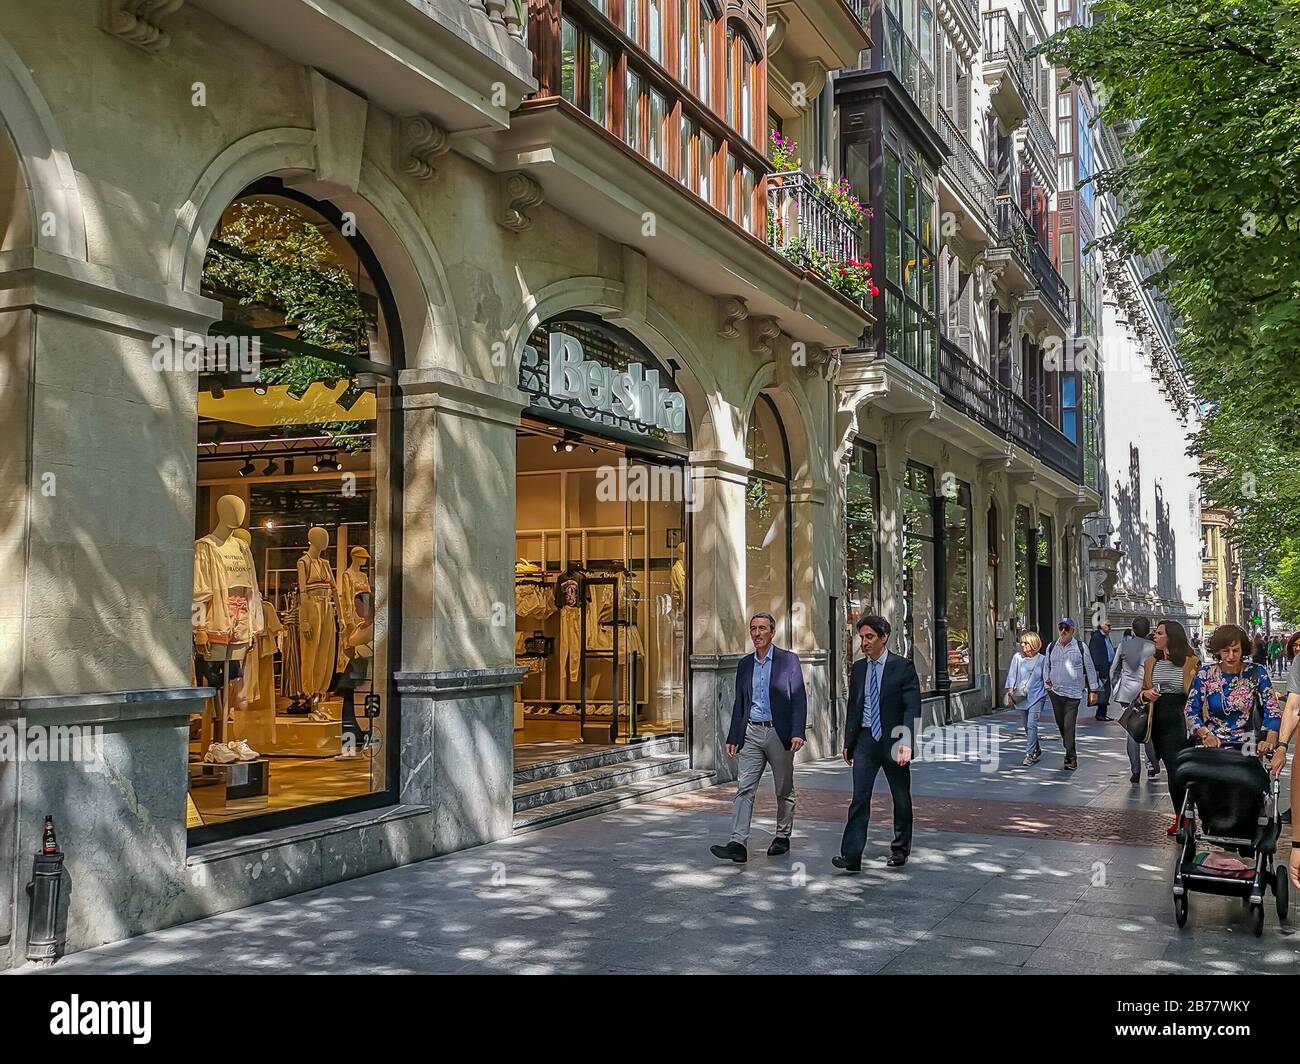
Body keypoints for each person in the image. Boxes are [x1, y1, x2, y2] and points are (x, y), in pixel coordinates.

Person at [710, 612, 807, 863]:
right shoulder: (745, 664)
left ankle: (782, 836)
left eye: (762, 628)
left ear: (772, 632)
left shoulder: (788, 661)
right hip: (752, 731)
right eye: (753, 628)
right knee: (744, 788)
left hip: (779, 732)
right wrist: (734, 736)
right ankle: (737, 842)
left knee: (783, 788)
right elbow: (740, 703)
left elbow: (798, 698)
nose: (757, 633)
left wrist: (798, 731)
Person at [833, 615, 920, 871]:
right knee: (859, 797)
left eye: (869, 637)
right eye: (861, 637)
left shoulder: (902, 667)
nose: (864, 642)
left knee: (900, 797)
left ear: (884, 638)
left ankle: (900, 849)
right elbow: (854, 706)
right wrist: (849, 741)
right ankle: (851, 855)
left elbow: (911, 707)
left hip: (894, 741)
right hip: (865, 740)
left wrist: (906, 742)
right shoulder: (859, 669)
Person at [1139, 620, 1200, 833]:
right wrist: (1147, 694)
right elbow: (1142, 691)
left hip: (1180, 720)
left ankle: (1186, 817)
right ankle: (1181, 816)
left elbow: (1197, 693)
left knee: (1178, 772)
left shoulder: (1191, 661)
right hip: (1157, 720)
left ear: (1171, 637)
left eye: (1159, 633)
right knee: (1172, 771)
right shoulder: (1150, 662)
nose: (1155, 637)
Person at [1186, 624, 1280, 754]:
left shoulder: (1257, 672)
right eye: (1225, 651)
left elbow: (1272, 709)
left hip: (1248, 743)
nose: (1231, 656)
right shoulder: (1205, 674)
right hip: (1213, 744)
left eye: (1235, 651)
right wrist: (1206, 735)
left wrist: (1269, 741)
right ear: (1218, 651)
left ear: (1243, 650)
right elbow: (1190, 710)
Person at [1044, 617, 1099, 771]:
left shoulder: (1081, 647)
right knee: (1060, 724)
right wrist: (1046, 683)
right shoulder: (1051, 647)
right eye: (1061, 627)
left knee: (1069, 726)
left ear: (1073, 630)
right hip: (1055, 692)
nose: (1063, 631)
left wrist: (1093, 690)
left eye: (1066, 628)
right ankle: (1068, 745)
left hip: (1073, 694)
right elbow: (1046, 667)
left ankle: (1070, 756)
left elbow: (1090, 669)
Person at [1111, 616, 1156, 783]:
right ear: (1149, 629)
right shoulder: (1153, 648)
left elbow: (1113, 670)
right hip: (1147, 692)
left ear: (1133, 630)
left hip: (1128, 695)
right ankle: (1151, 765)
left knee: (1131, 731)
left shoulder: (1123, 646)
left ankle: (1135, 770)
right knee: (1148, 727)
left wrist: (1117, 688)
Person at [1005, 631, 1047, 767]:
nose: (1022, 645)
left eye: (1026, 643)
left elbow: (1046, 678)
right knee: (1027, 727)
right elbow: (1012, 675)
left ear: (1033, 644)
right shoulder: (1017, 657)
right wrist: (1010, 694)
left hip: (1037, 696)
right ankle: (1036, 748)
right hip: (1021, 696)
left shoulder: (1042, 659)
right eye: (1022, 642)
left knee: (1031, 724)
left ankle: (1029, 754)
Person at [1088, 620, 1116, 721]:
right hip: (1101, 669)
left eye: (1110, 625)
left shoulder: (1106, 637)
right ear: (1101, 626)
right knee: (1102, 691)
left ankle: (1102, 712)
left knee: (1105, 691)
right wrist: (1097, 669)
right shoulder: (1097, 638)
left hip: (1107, 667)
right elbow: (1094, 654)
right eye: (1108, 625)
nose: (1110, 627)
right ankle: (1101, 713)